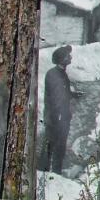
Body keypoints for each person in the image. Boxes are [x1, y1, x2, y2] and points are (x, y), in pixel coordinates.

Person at [42, 45, 76, 174]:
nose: (70, 57)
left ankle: (48, 171)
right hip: (56, 116)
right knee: (56, 145)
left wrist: (73, 95)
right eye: (68, 56)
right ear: (62, 60)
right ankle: (52, 172)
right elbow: (58, 98)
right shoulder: (55, 75)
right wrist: (60, 116)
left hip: (57, 115)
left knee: (52, 144)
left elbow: (62, 93)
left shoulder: (59, 72)